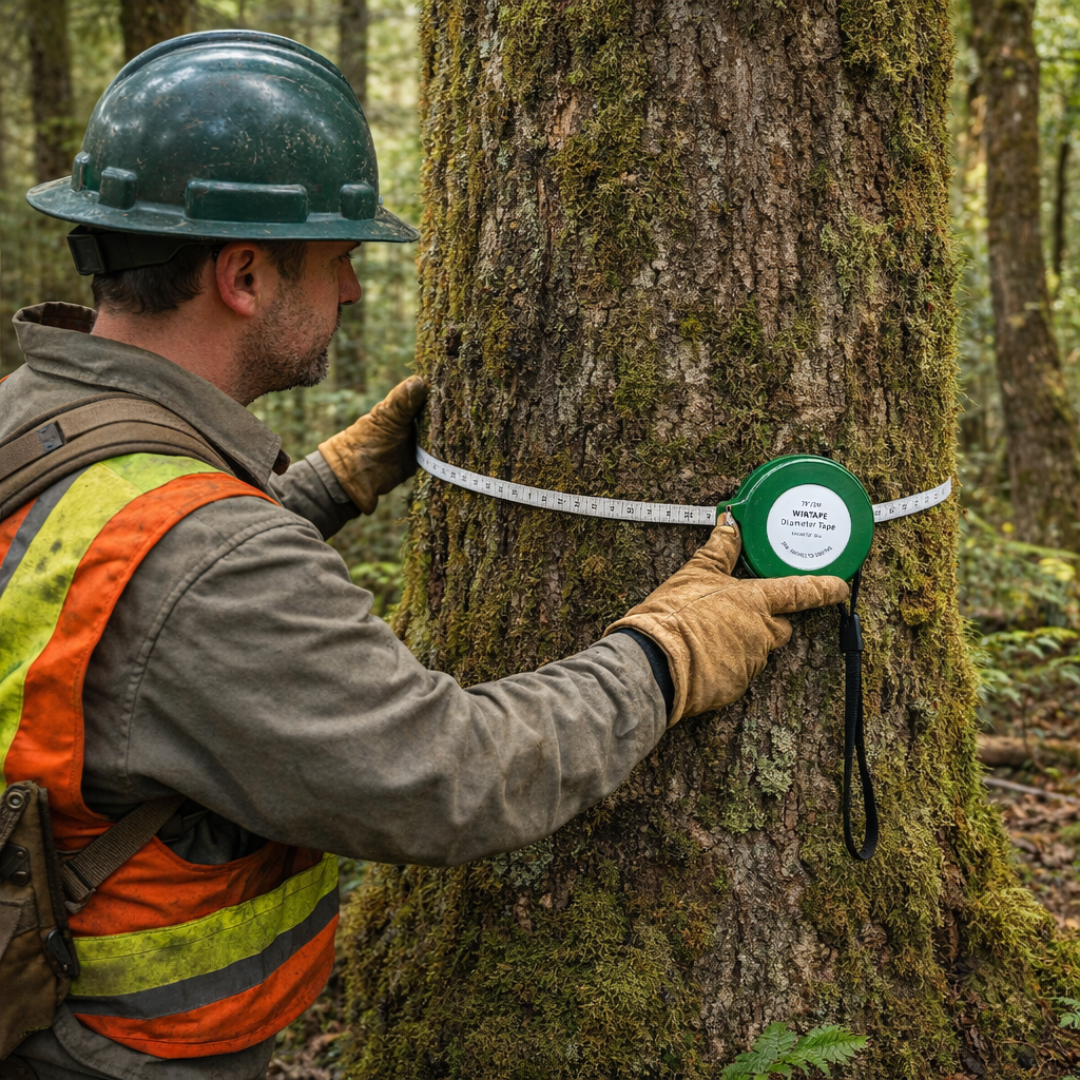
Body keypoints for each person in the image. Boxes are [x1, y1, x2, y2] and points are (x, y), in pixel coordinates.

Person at [0, 30, 848, 1080]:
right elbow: (448, 775)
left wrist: (328, 482)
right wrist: (665, 651)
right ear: (246, 274)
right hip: (120, 1052)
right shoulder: (211, 561)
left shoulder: (37, 423)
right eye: (341, 260)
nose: (352, 292)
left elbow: (122, 620)